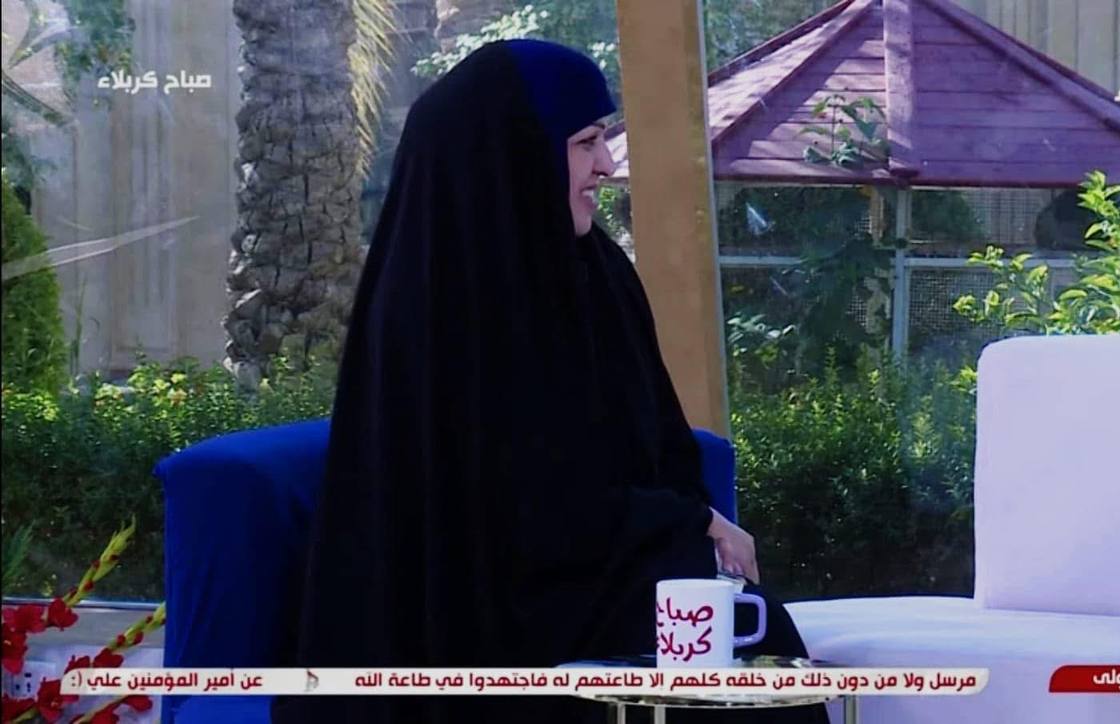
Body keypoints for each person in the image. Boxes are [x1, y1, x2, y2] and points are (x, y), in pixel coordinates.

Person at [271, 39, 828, 724]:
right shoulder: (436, 303)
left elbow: (655, 445)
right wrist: (692, 523)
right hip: (487, 618)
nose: (607, 164)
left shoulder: (596, 272)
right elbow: (511, 509)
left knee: (755, 643)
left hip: (597, 575)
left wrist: (684, 528)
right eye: (585, 143)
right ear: (513, 154)